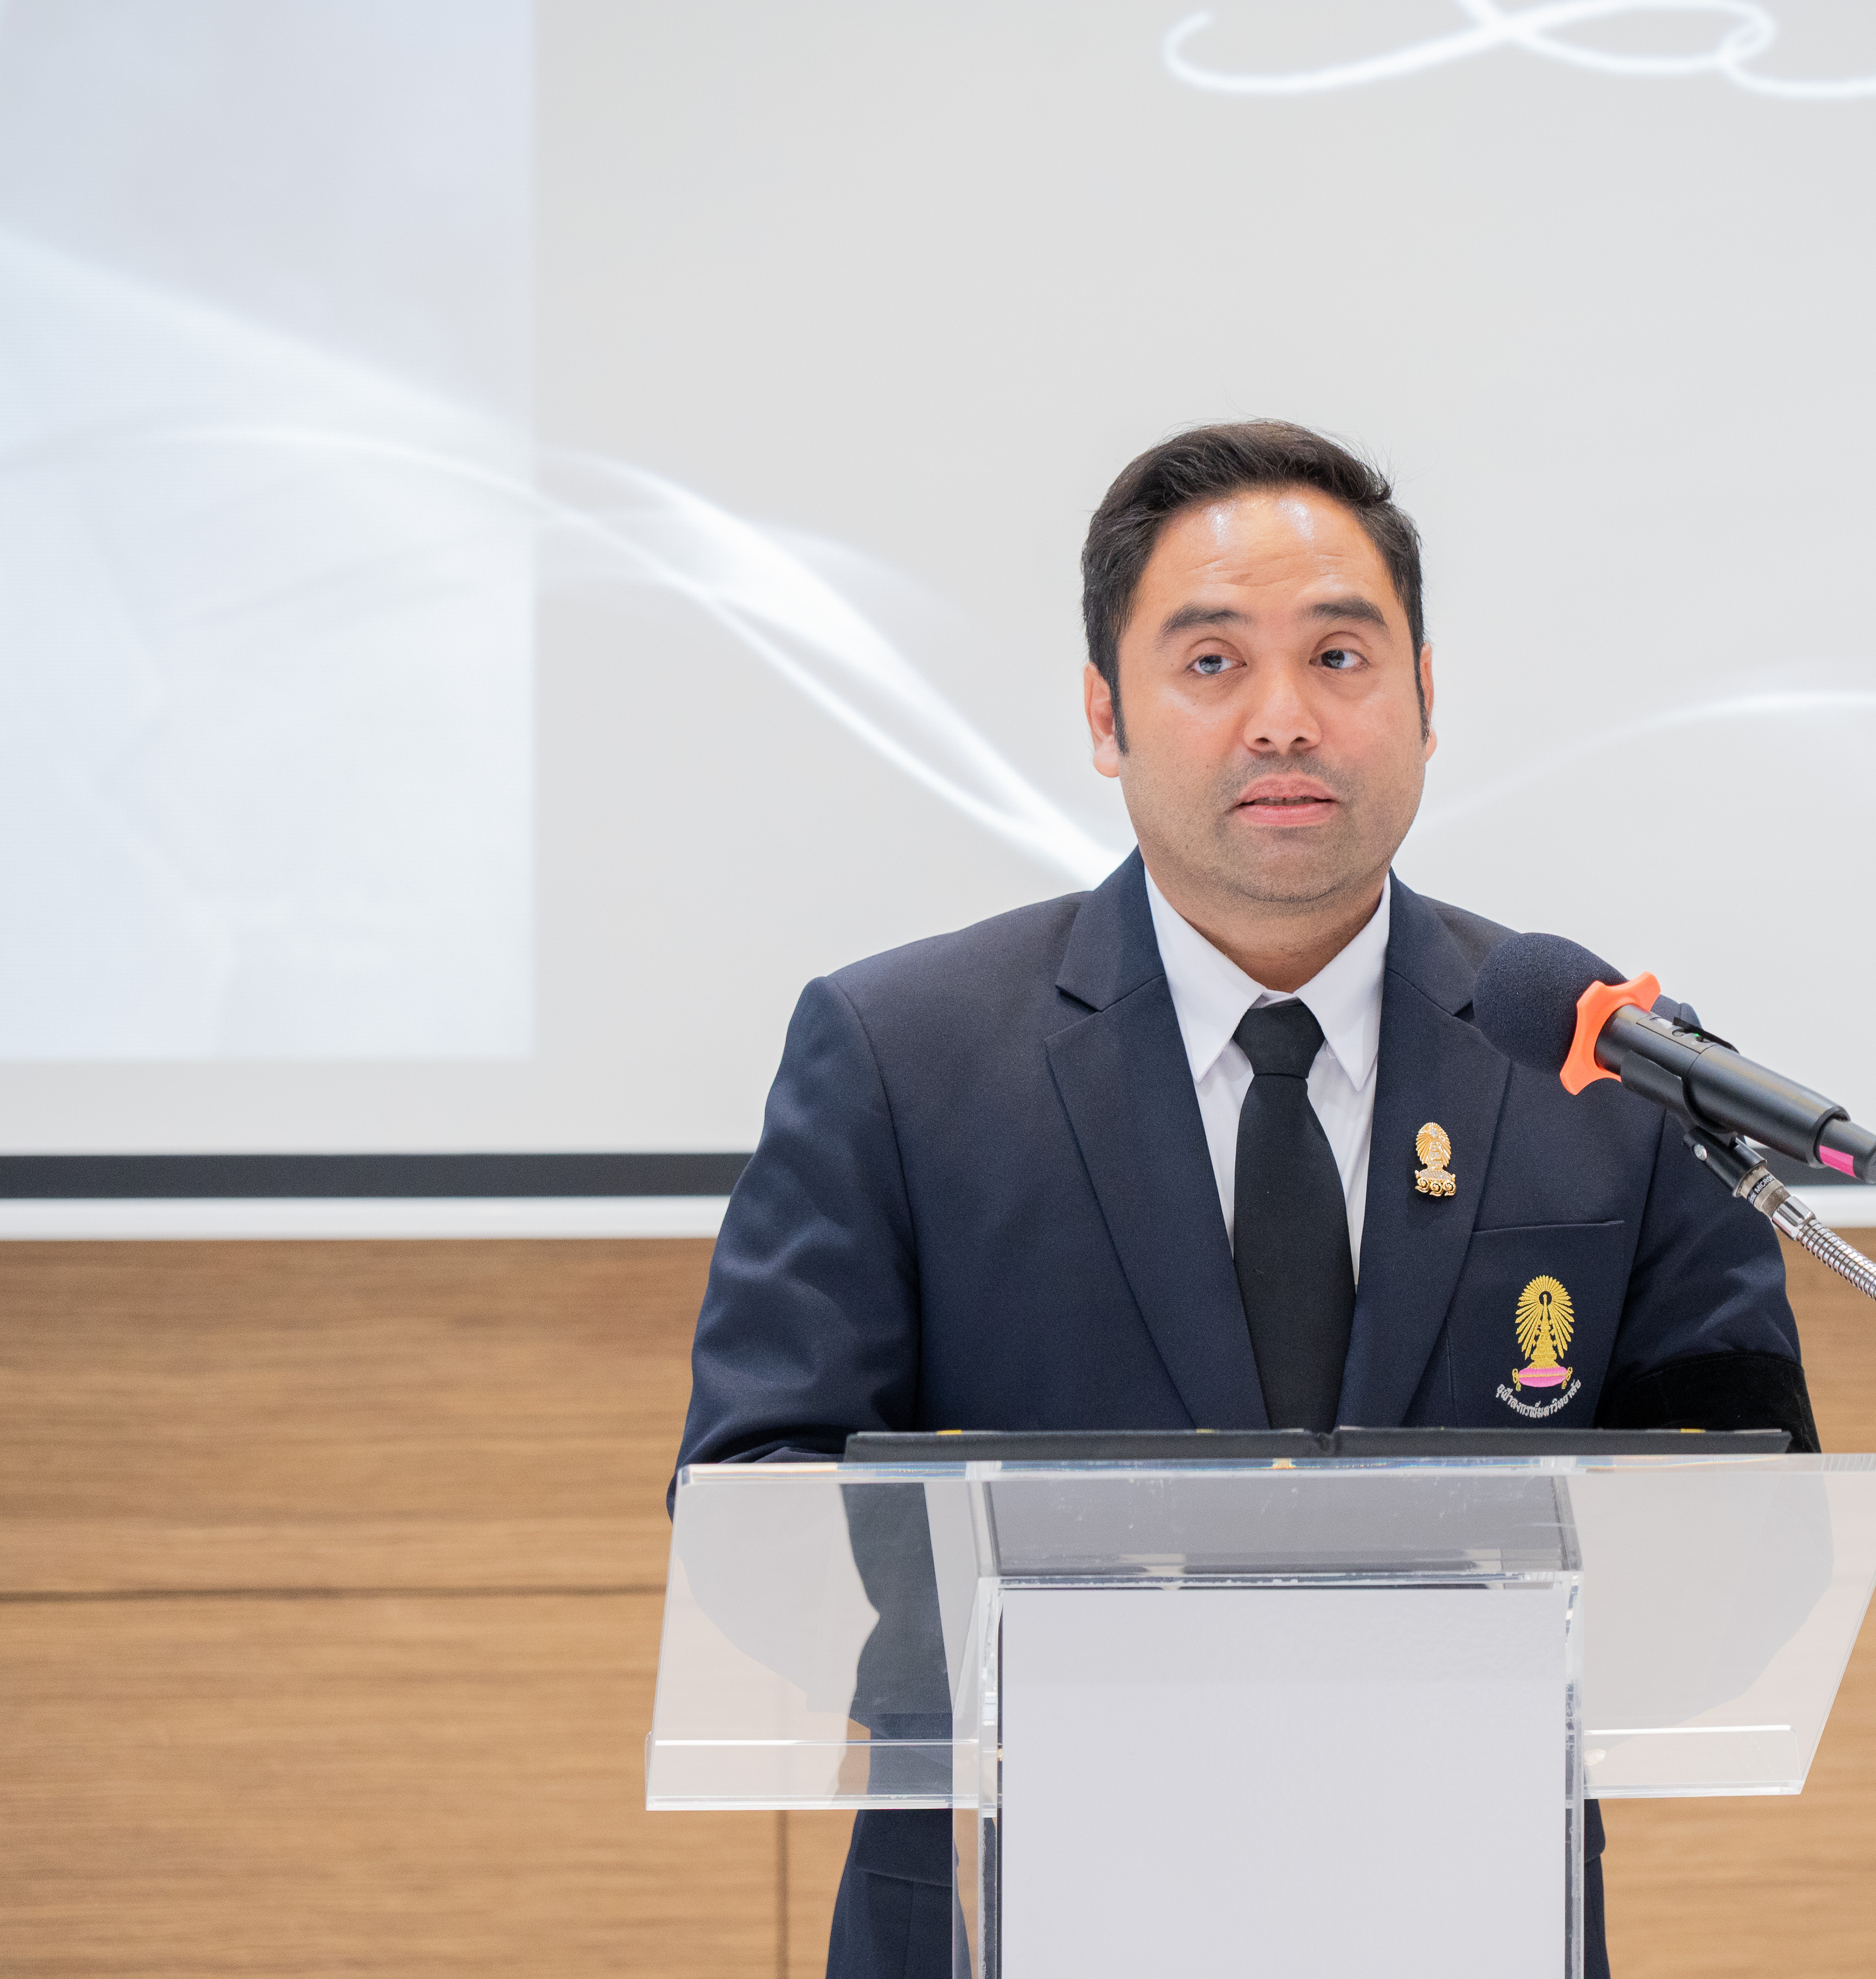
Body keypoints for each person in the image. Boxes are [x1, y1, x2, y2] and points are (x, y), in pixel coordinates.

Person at [675, 420, 1813, 1979]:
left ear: (1427, 698)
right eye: (1212, 663)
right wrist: (1083, 1631)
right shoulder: (899, 1055)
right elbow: (758, 1510)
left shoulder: (1597, 1061)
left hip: (1464, 1907)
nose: (1285, 718)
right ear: (1105, 713)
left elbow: (1751, 1517)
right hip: (1019, 1906)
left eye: (1341, 657)